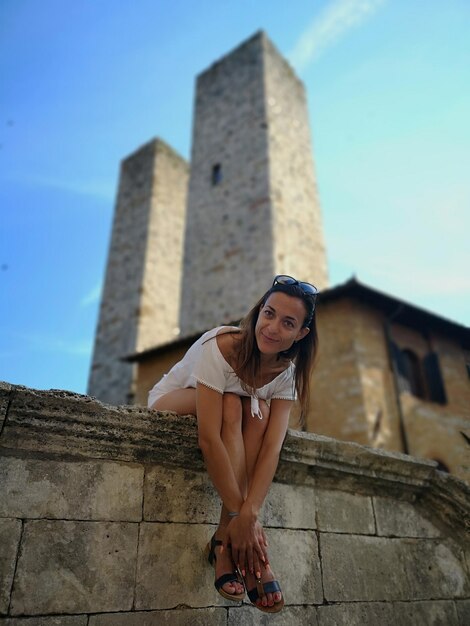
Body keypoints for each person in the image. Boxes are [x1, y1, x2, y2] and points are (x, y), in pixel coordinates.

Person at [148, 275, 319, 613]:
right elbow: (209, 439)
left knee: (258, 413)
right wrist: (244, 515)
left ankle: (224, 539)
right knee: (231, 402)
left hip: (236, 415)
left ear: (301, 334)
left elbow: (272, 447)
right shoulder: (223, 347)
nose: (271, 327)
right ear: (258, 312)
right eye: (268, 314)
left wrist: (252, 513)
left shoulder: (286, 373)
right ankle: (234, 546)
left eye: (287, 323)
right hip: (172, 399)